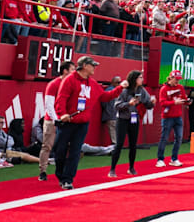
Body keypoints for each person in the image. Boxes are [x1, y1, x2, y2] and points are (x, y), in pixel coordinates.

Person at [54, 56, 125, 189]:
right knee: (60, 150)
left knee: (75, 151)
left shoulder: (92, 83)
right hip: (68, 121)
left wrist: (120, 88)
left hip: (82, 123)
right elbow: (61, 98)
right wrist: (62, 114)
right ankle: (61, 175)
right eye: (92, 65)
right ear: (85, 66)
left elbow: (105, 96)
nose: (94, 68)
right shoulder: (69, 80)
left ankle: (68, 179)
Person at [109, 70, 155, 178]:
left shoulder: (142, 90)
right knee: (119, 144)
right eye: (140, 77)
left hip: (134, 119)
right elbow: (116, 105)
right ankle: (112, 169)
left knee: (133, 144)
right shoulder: (125, 91)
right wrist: (128, 104)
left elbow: (147, 104)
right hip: (122, 119)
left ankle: (131, 167)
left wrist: (151, 103)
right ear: (134, 79)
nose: (142, 79)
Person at [39, 61, 75, 181]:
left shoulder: (71, 84)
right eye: (72, 69)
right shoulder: (54, 84)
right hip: (52, 120)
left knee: (66, 146)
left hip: (65, 119)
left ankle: (63, 170)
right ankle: (43, 171)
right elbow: (49, 105)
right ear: (65, 71)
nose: (74, 72)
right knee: (47, 146)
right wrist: (56, 119)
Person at [156, 70, 188, 167]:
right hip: (167, 117)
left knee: (178, 138)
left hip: (178, 116)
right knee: (164, 138)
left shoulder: (180, 87)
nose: (178, 81)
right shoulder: (164, 89)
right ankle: (160, 159)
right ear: (171, 78)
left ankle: (174, 158)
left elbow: (183, 98)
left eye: (179, 79)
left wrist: (187, 101)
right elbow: (162, 103)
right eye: (176, 79)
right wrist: (174, 103)